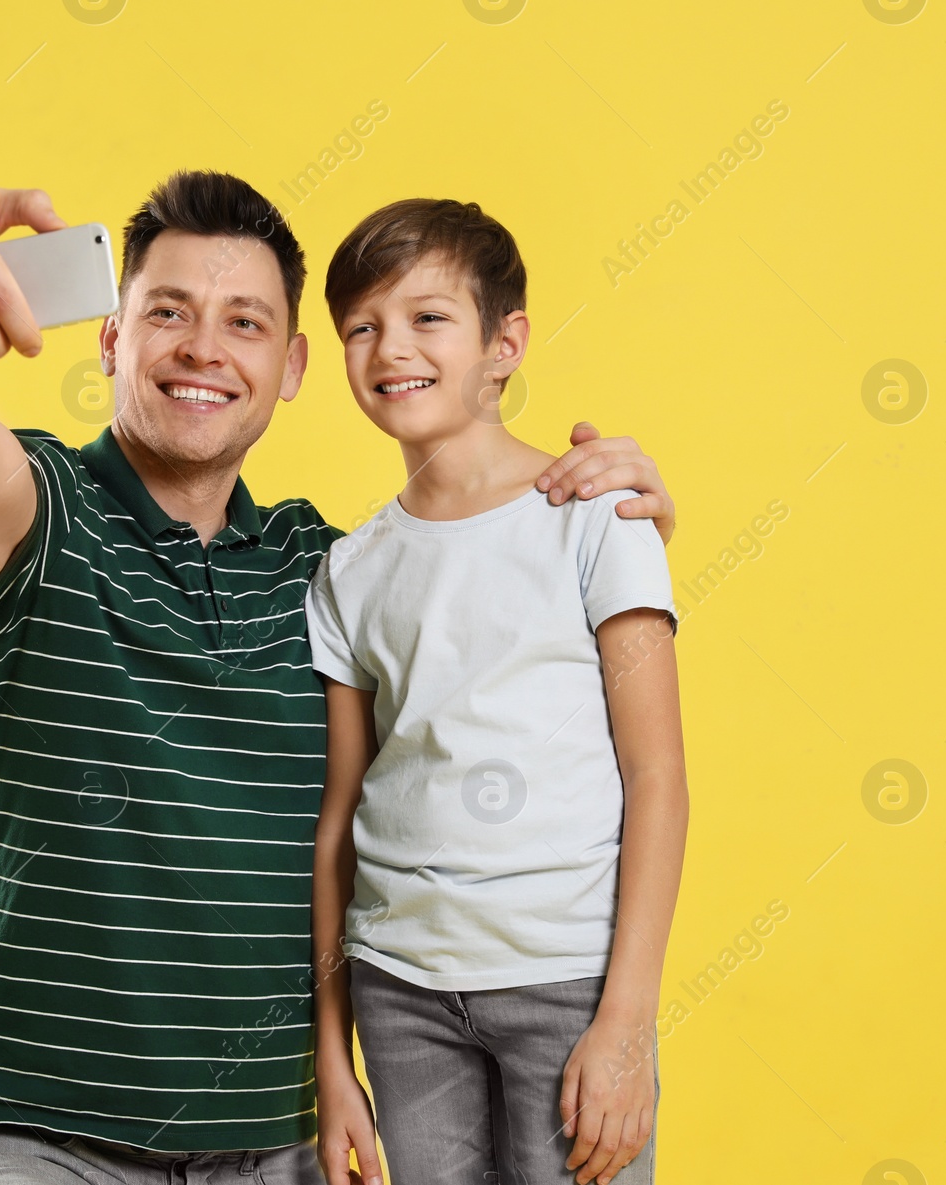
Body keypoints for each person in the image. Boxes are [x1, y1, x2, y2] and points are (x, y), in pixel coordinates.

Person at [0, 170, 678, 1183]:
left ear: (288, 369)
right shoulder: (31, 516)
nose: (203, 347)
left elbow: (494, 635)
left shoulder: (333, 571)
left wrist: (608, 517)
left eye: (243, 322)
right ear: (111, 340)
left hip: (274, 1153)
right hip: (31, 1141)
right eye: (167, 313)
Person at [306, 199, 688, 1185]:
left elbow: (657, 776)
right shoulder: (350, 569)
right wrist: (330, 1059)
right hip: (401, 996)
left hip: (565, 986)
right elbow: (339, 818)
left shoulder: (601, 513)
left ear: (503, 343)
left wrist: (627, 1022)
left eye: (428, 317)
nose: (391, 346)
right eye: (362, 325)